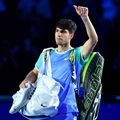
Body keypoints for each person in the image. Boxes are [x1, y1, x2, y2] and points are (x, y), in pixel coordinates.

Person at [10, 5, 98, 120]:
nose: (58, 34)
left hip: (67, 113)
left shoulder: (76, 54)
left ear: (71, 35)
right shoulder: (46, 54)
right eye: (57, 31)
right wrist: (27, 80)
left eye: (63, 32)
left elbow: (93, 40)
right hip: (44, 111)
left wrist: (85, 18)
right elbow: (35, 73)